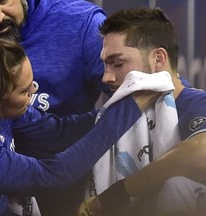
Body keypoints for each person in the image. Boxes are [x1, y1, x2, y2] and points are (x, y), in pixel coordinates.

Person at [0, 19, 157, 216]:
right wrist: (130, 109)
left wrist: (114, 109)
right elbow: (50, 176)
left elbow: (56, 133)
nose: (33, 90)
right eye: (24, 91)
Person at [77, 7, 206, 216]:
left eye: (118, 63)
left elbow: (202, 153)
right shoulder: (110, 118)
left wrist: (115, 195)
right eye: (105, 65)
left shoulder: (197, 103)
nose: (106, 78)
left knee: (177, 186)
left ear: (158, 59)